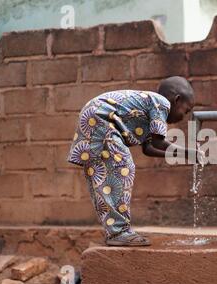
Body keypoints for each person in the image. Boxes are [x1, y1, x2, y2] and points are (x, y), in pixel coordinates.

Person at [67, 76, 203, 246]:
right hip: (101, 120)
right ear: (177, 100)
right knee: (122, 168)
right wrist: (188, 153)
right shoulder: (161, 103)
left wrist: (182, 155)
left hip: (95, 119)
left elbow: (149, 148)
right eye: (186, 110)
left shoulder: (146, 110)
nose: (184, 116)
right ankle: (119, 232)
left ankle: (115, 231)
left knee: (105, 178)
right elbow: (159, 142)